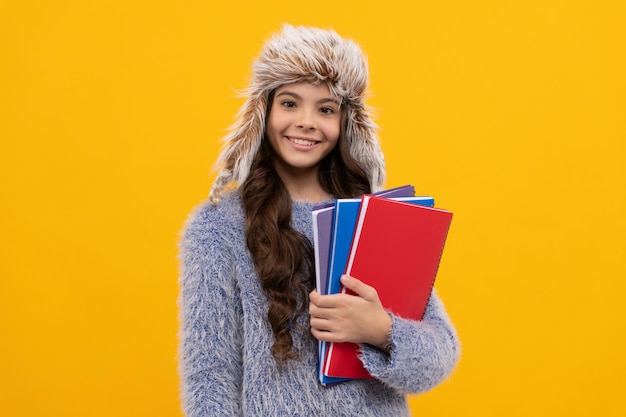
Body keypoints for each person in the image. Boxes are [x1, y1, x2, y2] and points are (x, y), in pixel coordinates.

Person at [178, 24, 460, 417]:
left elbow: (439, 356)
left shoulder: (373, 220)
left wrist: (379, 330)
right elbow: (210, 381)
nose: (307, 121)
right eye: (290, 103)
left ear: (345, 123)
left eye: (325, 108)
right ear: (264, 111)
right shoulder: (218, 228)